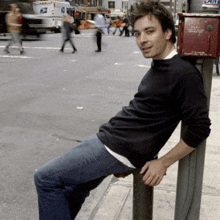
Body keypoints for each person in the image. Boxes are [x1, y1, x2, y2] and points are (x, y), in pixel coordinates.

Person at [34, 1, 211, 220]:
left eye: (149, 31)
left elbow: (200, 128)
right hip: (113, 140)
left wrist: (162, 162)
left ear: (167, 32)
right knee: (73, 189)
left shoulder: (184, 73)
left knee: (45, 178)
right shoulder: (160, 63)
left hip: (117, 147)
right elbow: (146, 111)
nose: (142, 40)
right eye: (137, 34)